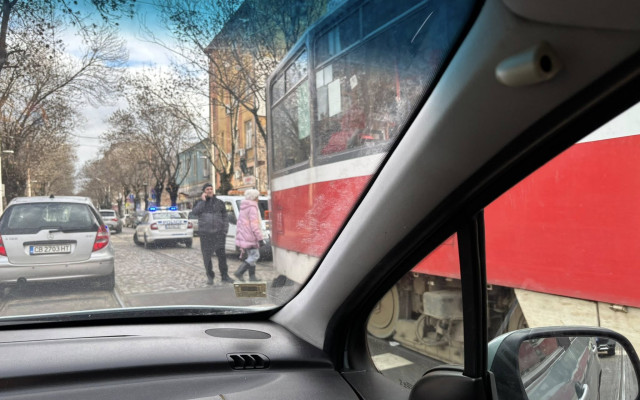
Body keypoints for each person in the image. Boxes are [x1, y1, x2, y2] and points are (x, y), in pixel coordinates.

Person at [192, 183, 234, 284]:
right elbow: (195, 212)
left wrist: (225, 230)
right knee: (207, 257)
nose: (210, 191)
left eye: (211, 189)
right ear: (204, 191)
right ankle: (210, 276)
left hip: (219, 234)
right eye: (207, 189)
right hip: (205, 234)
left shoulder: (219, 202)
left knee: (222, 256)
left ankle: (225, 276)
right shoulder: (199, 202)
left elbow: (225, 217)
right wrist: (203, 201)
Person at [233, 189, 265, 282]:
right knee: (255, 256)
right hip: (251, 236)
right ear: (254, 197)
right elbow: (254, 224)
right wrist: (260, 238)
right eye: (257, 197)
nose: (258, 198)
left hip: (245, 235)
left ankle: (252, 277)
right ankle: (239, 272)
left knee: (251, 256)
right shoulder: (252, 207)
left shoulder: (244, 207)